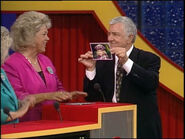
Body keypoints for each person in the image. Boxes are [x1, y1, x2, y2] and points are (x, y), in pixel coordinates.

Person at [78, 16, 162, 138]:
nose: (110, 38)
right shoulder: (103, 60)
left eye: (115, 34)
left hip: (140, 127)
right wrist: (90, 69)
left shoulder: (148, 59)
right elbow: (91, 97)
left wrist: (126, 62)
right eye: (109, 34)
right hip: (109, 126)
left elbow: (150, 84)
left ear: (130, 38)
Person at [2, 11, 87, 122]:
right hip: (27, 126)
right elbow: (18, 98)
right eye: (44, 34)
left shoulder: (45, 60)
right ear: (30, 36)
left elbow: (58, 88)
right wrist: (48, 96)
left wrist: (67, 95)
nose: (48, 38)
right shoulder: (11, 64)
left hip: (52, 123)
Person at [1, 26, 35, 124]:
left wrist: (23, 102)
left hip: (12, 130)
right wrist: (21, 112)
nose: (7, 55)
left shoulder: (2, 72)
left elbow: (9, 101)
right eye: (6, 49)